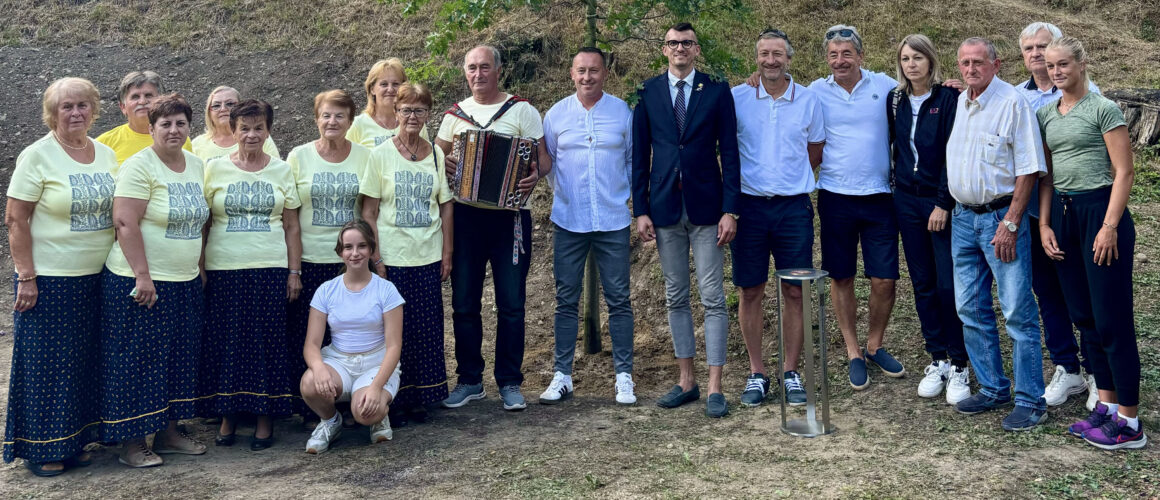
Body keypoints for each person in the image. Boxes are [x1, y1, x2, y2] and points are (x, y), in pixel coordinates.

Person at [1037, 37, 1146, 449]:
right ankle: (1105, 405)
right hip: (1064, 217)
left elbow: (1124, 171)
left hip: (1101, 213)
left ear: (1082, 64)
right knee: (1085, 317)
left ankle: (1130, 424)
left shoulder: (1104, 109)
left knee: (1112, 318)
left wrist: (1110, 225)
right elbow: (1046, 177)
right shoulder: (1047, 114)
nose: (1056, 71)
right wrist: (1045, 224)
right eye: (1050, 66)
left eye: (1063, 64)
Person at [3, 77, 114, 476]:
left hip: (97, 277)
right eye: (66, 106)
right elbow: (16, 219)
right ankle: (41, 447)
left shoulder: (104, 154)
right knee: (46, 362)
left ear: (94, 109)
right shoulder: (37, 156)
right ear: (52, 112)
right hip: (49, 278)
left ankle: (75, 440)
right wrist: (26, 275)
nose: (75, 113)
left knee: (82, 362)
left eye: (82, 105)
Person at [632, 22, 740, 418]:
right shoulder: (647, 91)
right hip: (663, 209)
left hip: (708, 209)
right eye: (673, 43)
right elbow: (639, 154)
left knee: (712, 297)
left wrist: (732, 208)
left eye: (687, 43)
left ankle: (714, 386)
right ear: (665, 50)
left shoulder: (715, 89)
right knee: (675, 295)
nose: (680, 48)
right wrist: (639, 209)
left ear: (697, 49)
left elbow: (730, 151)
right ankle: (686, 381)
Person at [434, 45, 549, 411]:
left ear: (499, 70)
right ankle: (470, 380)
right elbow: (433, 159)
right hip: (466, 216)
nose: (478, 74)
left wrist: (534, 177)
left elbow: (543, 160)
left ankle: (510, 382)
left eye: (485, 67)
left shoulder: (522, 111)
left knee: (511, 303)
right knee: (464, 302)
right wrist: (447, 166)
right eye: (472, 68)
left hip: (510, 219)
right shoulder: (454, 116)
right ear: (465, 73)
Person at [100, 94, 210, 467]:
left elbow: (199, 221)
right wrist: (142, 275)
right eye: (165, 124)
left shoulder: (195, 165)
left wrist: (199, 267)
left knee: (178, 357)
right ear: (151, 128)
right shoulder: (138, 166)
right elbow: (125, 222)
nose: (174, 130)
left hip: (185, 280)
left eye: (181, 123)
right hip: (143, 283)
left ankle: (168, 432)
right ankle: (132, 443)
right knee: (138, 361)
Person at [946, 37, 1048, 431]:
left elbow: (1029, 169)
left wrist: (1012, 222)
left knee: (1017, 312)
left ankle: (1029, 399)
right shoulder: (960, 100)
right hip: (962, 220)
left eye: (978, 62)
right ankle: (992, 387)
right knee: (969, 307)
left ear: (996, 64)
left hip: (999, 220)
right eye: (964, 63)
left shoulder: (1012, 103)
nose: (971, 69)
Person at [197, 99, 303, 450]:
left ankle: (264, 418)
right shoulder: (213, 169)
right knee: (228, 343)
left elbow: (291, 226)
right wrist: (199, 267)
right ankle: (227, 416)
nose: (252, 134)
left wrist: (294, 272)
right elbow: (205, 224)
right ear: (233, 130)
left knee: (266, 342)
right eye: (245, 128)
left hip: (270, 268)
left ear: (268, 130)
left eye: (259, 128)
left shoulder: (282, 170)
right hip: (224, 268)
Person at [538, 47, 637, 406]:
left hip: (612, 219)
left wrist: (624, 197)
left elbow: (631, 161)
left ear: (604, 73)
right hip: (569, 219)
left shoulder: (622, 112)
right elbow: (548, 162)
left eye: (594, 71)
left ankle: (624, 377)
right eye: (581, 70)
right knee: (566, 300)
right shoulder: (556, 114)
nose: (587, 77)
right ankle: (562, 375)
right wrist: (567, 194)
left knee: (619, 300)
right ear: (571, 73)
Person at [730, 29, 823, 408]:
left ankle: (790, 371)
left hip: (792, 208)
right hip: (749, 209)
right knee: (750, 290)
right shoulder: (737, 98)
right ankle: (757, 372)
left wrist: (788, 180)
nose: (771, 61)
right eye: (764, 54)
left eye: (778, 54)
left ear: (789, 58)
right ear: (757, 58)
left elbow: (815, 150)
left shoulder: (809, 100)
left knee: (794, 290)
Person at [808, 25, 904, 389]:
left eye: (847, 53)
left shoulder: (883, 87)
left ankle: (875, 344)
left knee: (884, 279)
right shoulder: (816, 91)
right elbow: (779, 85)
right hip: (834, 196)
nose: (840, 60)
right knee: (841, 276)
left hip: (880, 197)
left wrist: (952, 87)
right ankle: (852, 351)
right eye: (833, 54)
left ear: (861, 56)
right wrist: (756, 78)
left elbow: (919, 90)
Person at [1016, 22, 1102, 409]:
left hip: (1078, 211)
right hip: (1034, 212)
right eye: (1029, 48)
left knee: (1085, 294)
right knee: (1047, 293)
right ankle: (1068, 368)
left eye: (1043, 47)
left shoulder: (1087, 96)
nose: (1037, 54)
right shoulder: (1015, 97)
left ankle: (1101, 372)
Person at [885, 34, 970, 404]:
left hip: (938, 203)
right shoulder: (896, 100)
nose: (911, 64)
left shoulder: (949, 98)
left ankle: (961, 363)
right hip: (905, 201)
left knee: (947, 285)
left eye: (918, 57)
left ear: (931, 61)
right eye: (905, 58)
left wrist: (942, 203)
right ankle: (937, 359)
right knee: (921, 283)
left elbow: (955, 152)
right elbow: (896, 147)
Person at [360, 82, 452, 425]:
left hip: (427, 255)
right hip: (393, 259)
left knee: (426, 329)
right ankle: (392, 399)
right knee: (392, 333)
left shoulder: (436, 155)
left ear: (429, 114)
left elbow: (445, 208)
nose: (412, 116)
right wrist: (377, 257)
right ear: (395, 112)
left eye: (420, 110)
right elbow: (369, 212)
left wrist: (447, 252)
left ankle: (422, 397)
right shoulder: (380, 154)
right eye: (406, 110)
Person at [287, 89, 372, 426]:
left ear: (351, 121)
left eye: (339, 115)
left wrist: (369, 257)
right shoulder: (298, 156)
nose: (332, 121)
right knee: (309, 335)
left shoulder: (365, 157)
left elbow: (369, 210)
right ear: (316, 118)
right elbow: (291, 217)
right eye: (326, 115)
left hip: (350, 262)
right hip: (310, 259)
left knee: (350, 333)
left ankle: (352, 401)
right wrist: (294, 268)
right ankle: (314, 406)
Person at [300, 220, 404, 454]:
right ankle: (330, 421)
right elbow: (311, 344)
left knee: (364, 413)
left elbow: (394, 346)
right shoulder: (326, 290)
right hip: (339, 361)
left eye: (362, 246)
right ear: (340, 252)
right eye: (348, 247)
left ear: (371, 250)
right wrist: (318, 368)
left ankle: (379, 417)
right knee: (309, 382)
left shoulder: (386, 290)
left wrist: (376, 387)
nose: (355, 253)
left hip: (375, 364)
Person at [96, 71, 192, 165]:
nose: (142, 101)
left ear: (162, 102)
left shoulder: (178, 139)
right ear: (123, 107)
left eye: (148, 95)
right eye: (135, 97)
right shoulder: (103, 144)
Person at [347, 58, 429, 148]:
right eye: (384, 84)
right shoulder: (358, 125)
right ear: (372, 89)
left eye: (395, 84)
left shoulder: (415, 121)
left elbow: (426, 157)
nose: (390, 89)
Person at [191, 86, 281, 161]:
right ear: (209, 112)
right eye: (216, 105)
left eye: (230, 104)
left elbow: (275, 169)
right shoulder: (197, 145)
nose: (223, 109)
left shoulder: (258, 139)